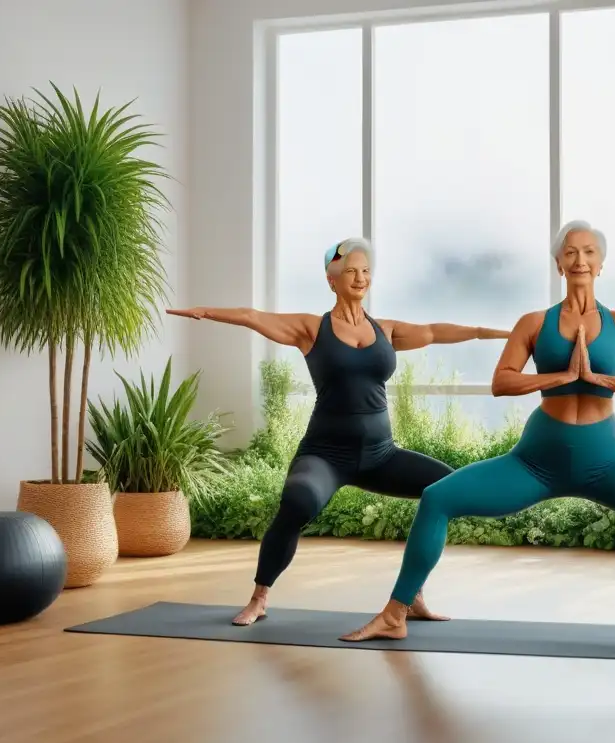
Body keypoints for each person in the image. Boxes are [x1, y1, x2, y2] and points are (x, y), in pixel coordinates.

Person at [339, 221, 615, 654]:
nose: (579, 259)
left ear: (601, 264)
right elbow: (502, 381)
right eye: (570, 252)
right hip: (536, 463)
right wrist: (559, 378)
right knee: (437, 498)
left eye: (589, 252)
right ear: (559, 264)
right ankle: (396, 613)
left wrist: (599, 378)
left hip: (608, 463)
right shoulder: (534, 323)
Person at [167, 237, 512, 626]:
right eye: (350, 271)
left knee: (445, 490)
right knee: (297, 504)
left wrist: (495, 333)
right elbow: (252, 315)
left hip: (382, 455)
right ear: (331, 280)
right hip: (326, 456)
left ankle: (411, 595)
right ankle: (259, 597)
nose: (360, 278)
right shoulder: (311, 329)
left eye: (365, 271)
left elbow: (434, 331)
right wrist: (203, 312)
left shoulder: (386, 330)